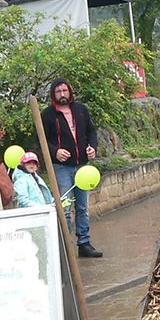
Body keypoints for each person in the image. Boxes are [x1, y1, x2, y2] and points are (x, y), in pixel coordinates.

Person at [40, 78, 102, 257]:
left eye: (64, 91)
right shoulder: (48, 115)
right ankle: (66, 247)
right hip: (62, 167)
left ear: (70, 92)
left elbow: (91, 131)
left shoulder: (81, 110)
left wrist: (92, 147)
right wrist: (55, 152)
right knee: (65, 208)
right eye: (58, 92)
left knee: (82, 207)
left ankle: (84, 243)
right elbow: (41, 141)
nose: (62, 95)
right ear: (53, 94)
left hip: (82, 167)